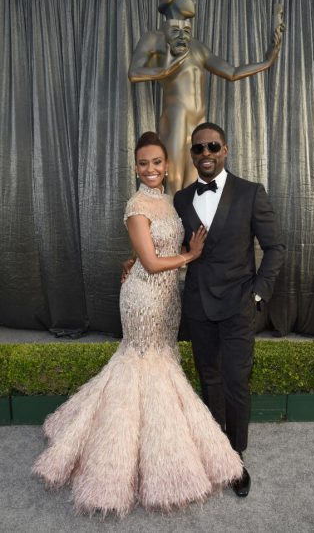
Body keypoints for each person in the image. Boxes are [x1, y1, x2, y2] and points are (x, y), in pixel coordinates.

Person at [32, 131, 243, 518]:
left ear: (166, 166)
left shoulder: (167, 200)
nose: (150, 169)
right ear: (135, 167)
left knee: (161, 359)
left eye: (157, 163)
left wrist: (134, 257)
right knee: (142, 364)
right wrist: (190, 255)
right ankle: (122, 461)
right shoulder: (136, 204)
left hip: (167, 299)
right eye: (143, 163)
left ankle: (154, 450)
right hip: (143, 298)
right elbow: (151, 262)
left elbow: (146, 248)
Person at [173, 121, 286, 496]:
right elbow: (170, 248)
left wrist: (257, 294)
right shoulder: (181, 198)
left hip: (239, 304)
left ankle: (236, 458)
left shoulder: (251, 193)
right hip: (198, 306)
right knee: (210, 378)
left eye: (213, 147)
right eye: (199, 148)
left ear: (225, 150)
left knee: (237, 382)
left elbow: (275, 249)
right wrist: (134, 261)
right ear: (192, 154)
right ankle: (215, 449)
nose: (206, 154)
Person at [129, 0, 285, 194]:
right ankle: (170, 228)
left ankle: (193, 228)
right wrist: (163, 71)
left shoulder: (198, 47)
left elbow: (231, 72)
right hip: (176, 119)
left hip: (199, 124)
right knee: (173, 180)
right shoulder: (155, 38)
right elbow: (134, 73)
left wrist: (268, 60)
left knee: (196, 183)